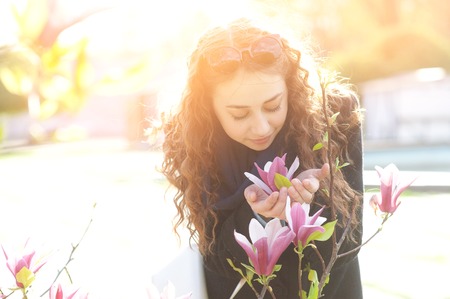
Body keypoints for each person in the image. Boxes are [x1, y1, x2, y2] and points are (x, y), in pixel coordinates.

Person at [160, 18, 364, 299]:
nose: (261, 128)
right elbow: (216, 256)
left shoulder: (334, 116)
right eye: (239, 114)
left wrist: (310, 204)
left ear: (290, 88)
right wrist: (258, 214)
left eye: (273, 106)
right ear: (208, 108)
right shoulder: (189, 136)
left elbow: (348, 242)